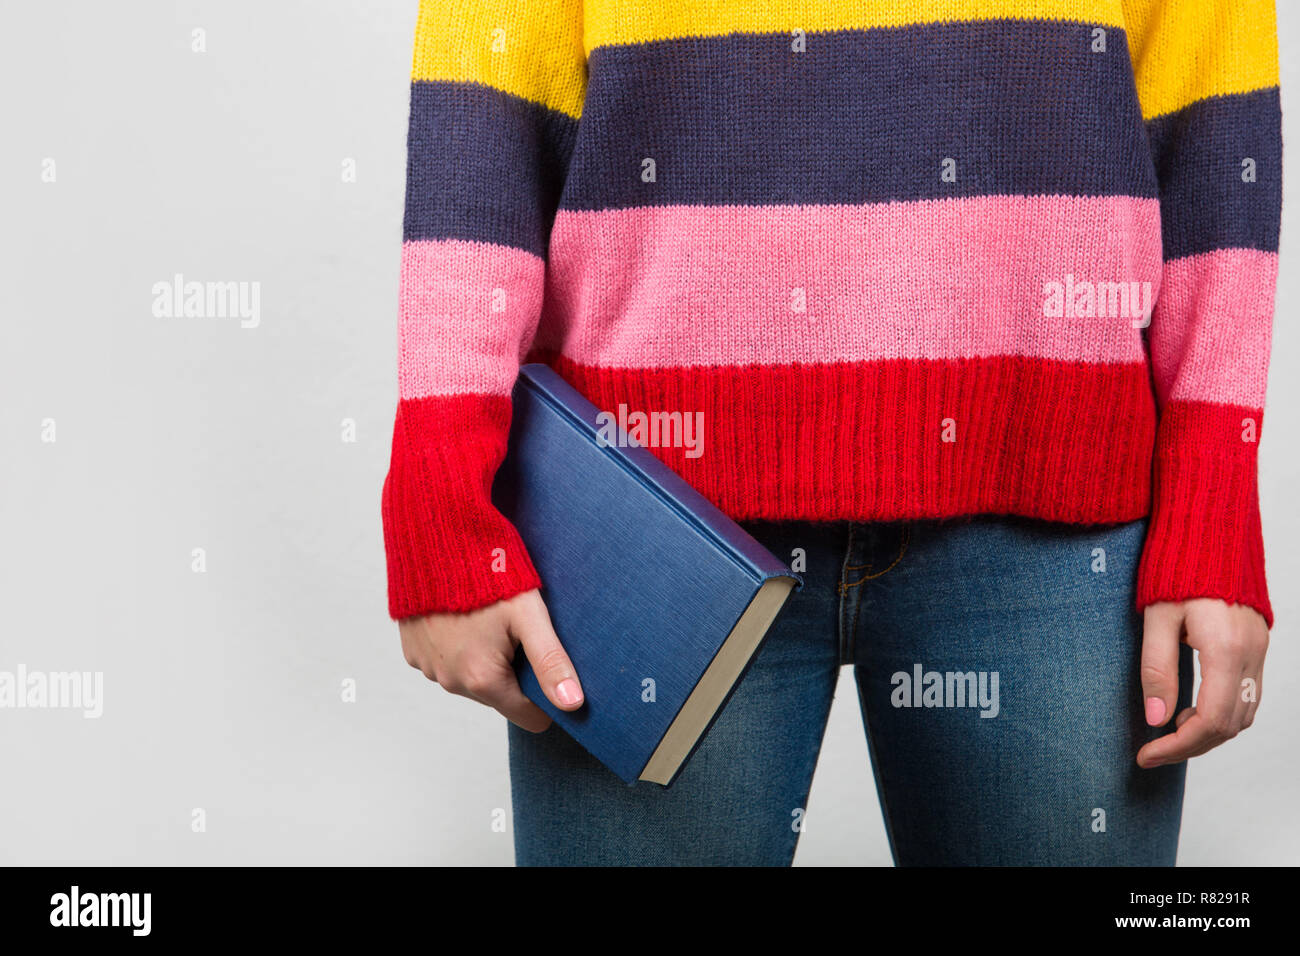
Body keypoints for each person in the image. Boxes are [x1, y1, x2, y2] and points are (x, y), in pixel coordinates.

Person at [383, 0, 1280, 865]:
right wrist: (438, 490)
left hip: (1051, 495)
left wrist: (1216, 501)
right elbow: (484, 89)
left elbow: (1212, 105)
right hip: (652, 519)